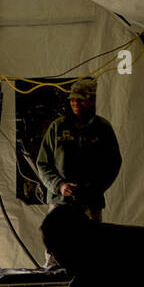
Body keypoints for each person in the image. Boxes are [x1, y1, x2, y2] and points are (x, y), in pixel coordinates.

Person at [35, 77, 122, 233]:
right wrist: (59, 185)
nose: (75, 103)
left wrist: (94, 188)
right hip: (60, 202)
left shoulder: (103, 128)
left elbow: (113, 163)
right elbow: (43, 163)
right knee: (55, 248)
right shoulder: (57, 127)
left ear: (92, 101)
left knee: (90, 249)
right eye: (73, 100)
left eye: (81, 100)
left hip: (91, 203)